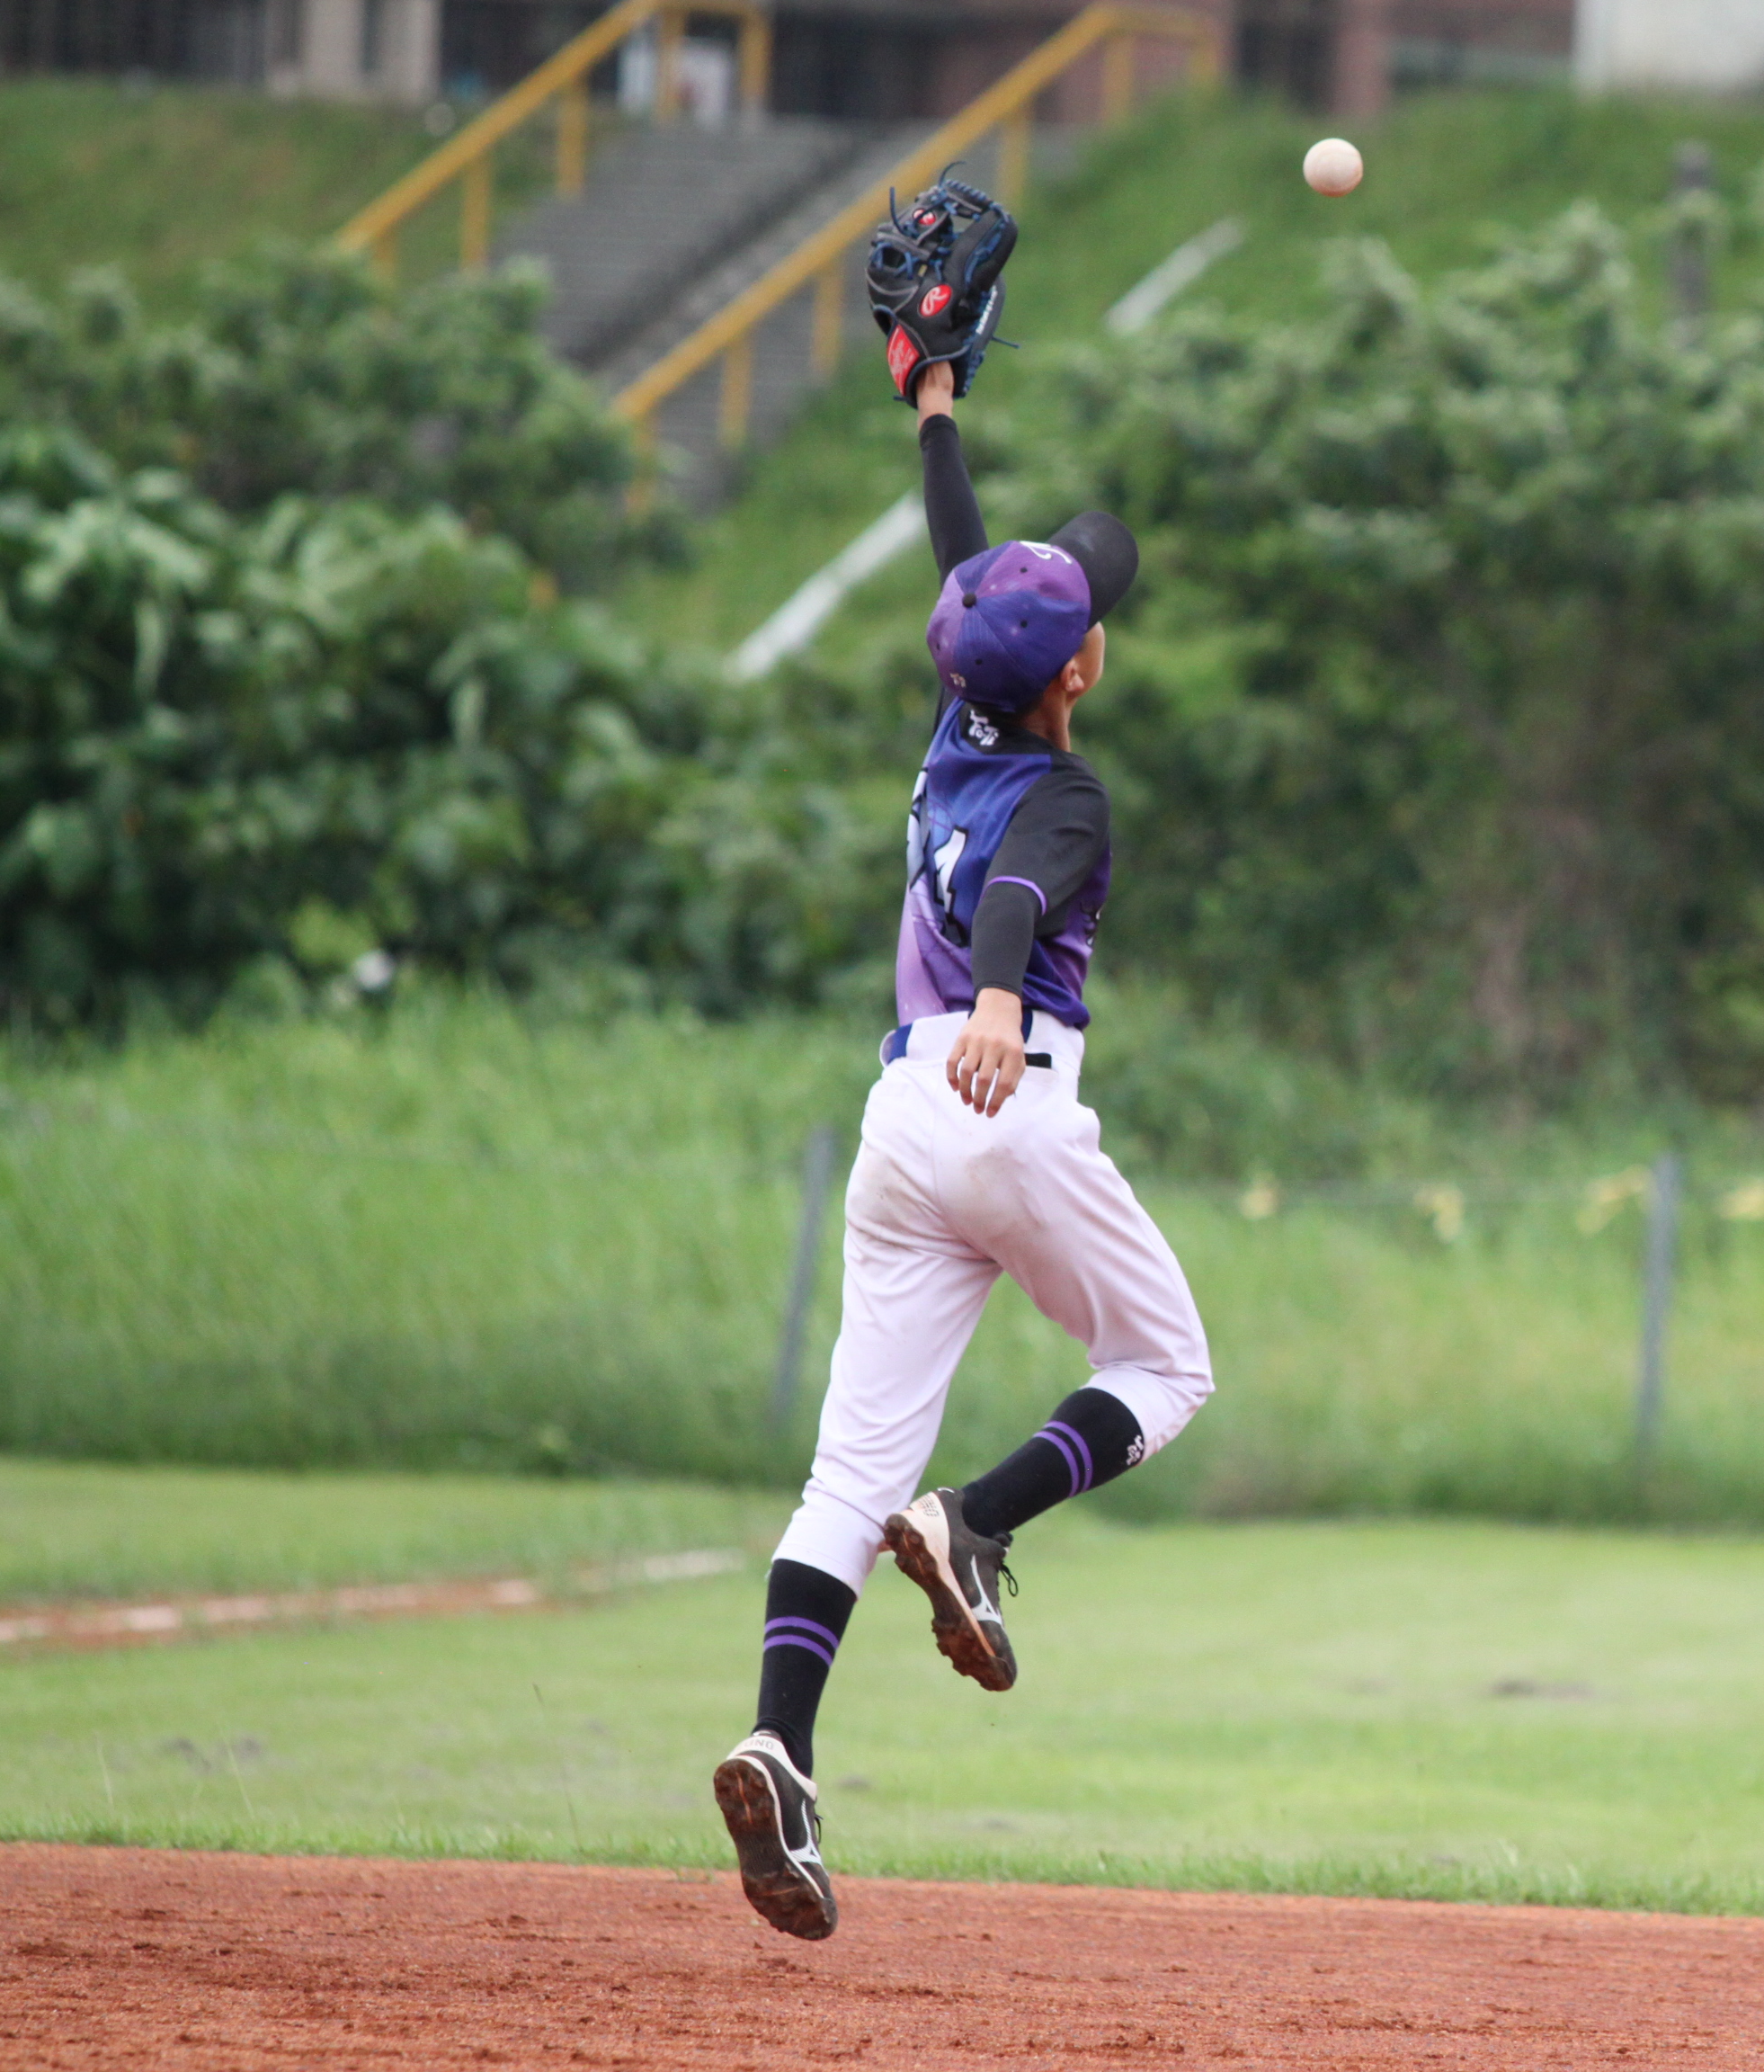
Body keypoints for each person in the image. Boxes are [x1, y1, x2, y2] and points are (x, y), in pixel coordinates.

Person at [711, 357, 1216, 1941]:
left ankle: (778, 1744)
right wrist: (1001, 998)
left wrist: (933, 405)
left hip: (899, 1129)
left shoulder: (955, 721)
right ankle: (976, 1519)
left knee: (844, 1473)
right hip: (1006, 1103)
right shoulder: (1068, 791)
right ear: (1078, 673)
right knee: (1166, 1365)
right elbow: (1016, 895)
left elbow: (969, 557)